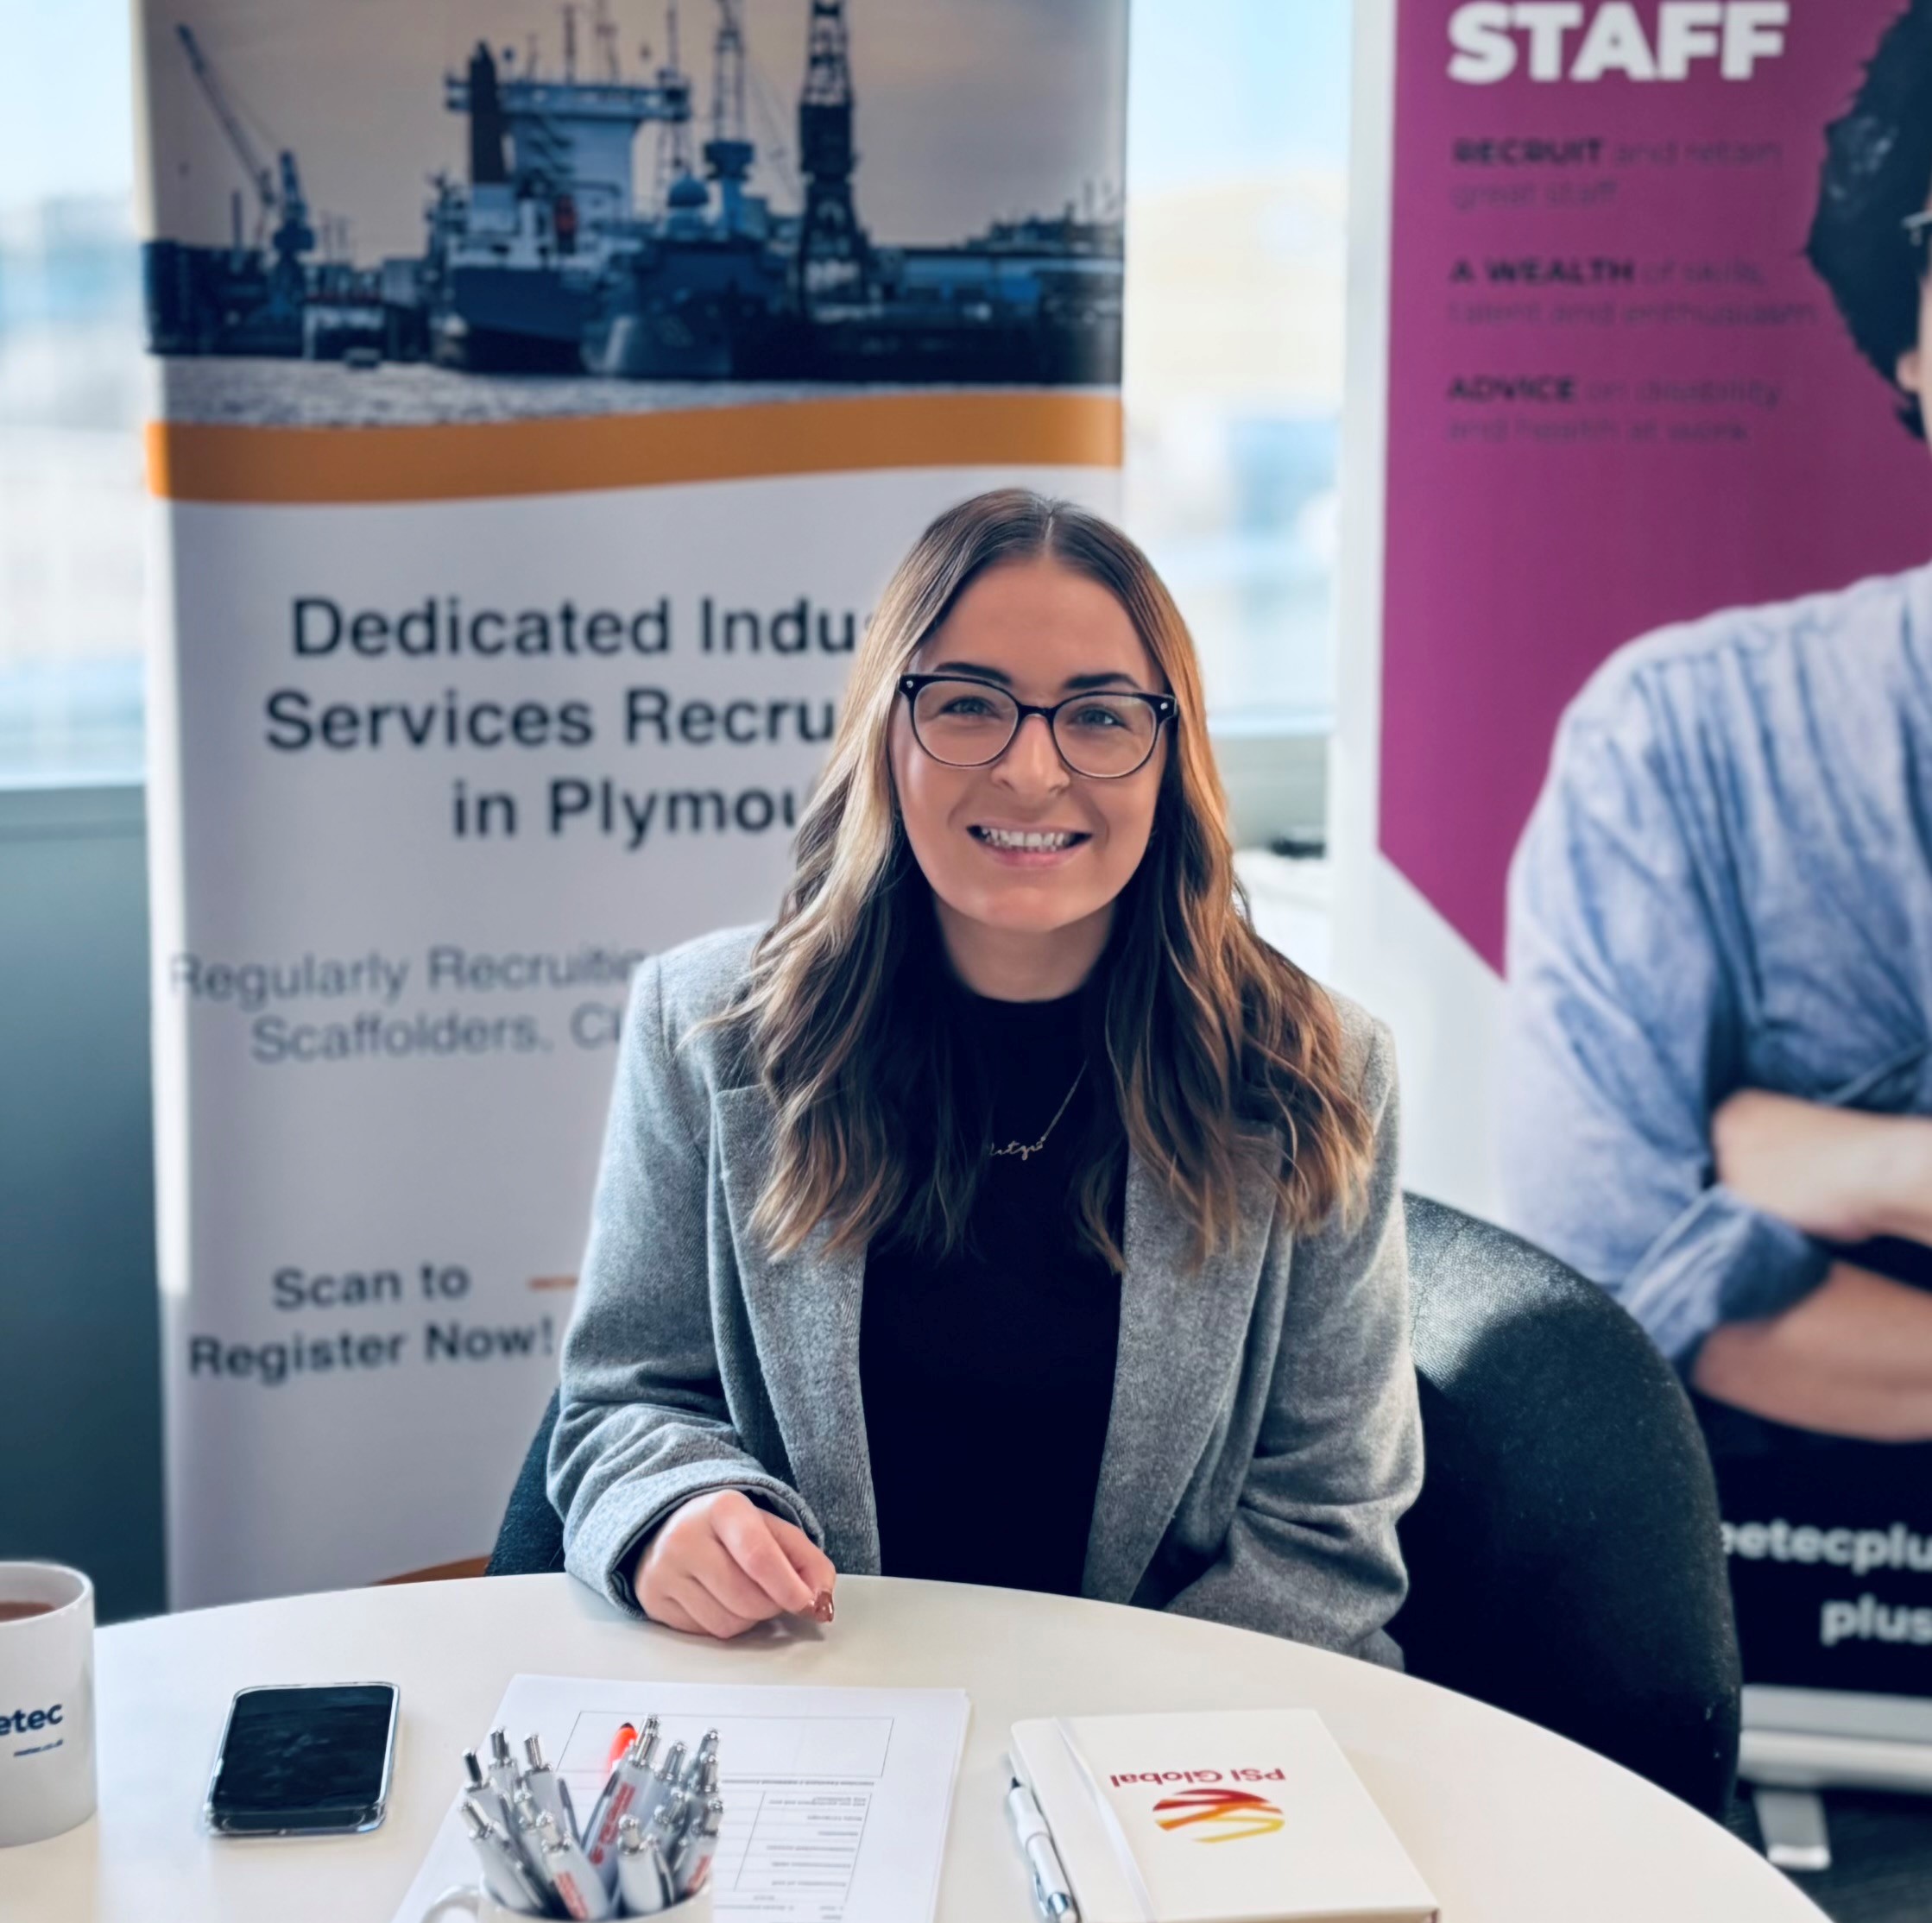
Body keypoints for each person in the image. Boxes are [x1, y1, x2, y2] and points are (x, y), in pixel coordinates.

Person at [548, 489, 1420, 1659]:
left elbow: (1325, 1528)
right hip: (817, 1711)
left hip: (1177, 1735)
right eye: (968, 705)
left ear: (1170, 755)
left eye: (1099, 717)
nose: (1028, 768)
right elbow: (625, 1397)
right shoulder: (707, 1031)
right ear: (885, 731)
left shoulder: (1315, 1069)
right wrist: (673, 1515)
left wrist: (1083, 1738)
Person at [1502, 0, 1932, 1441]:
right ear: (1908, 337)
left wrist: (1837, 1158)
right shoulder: (1681, 739)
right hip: (1788, 1617)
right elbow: (1615, 1260)